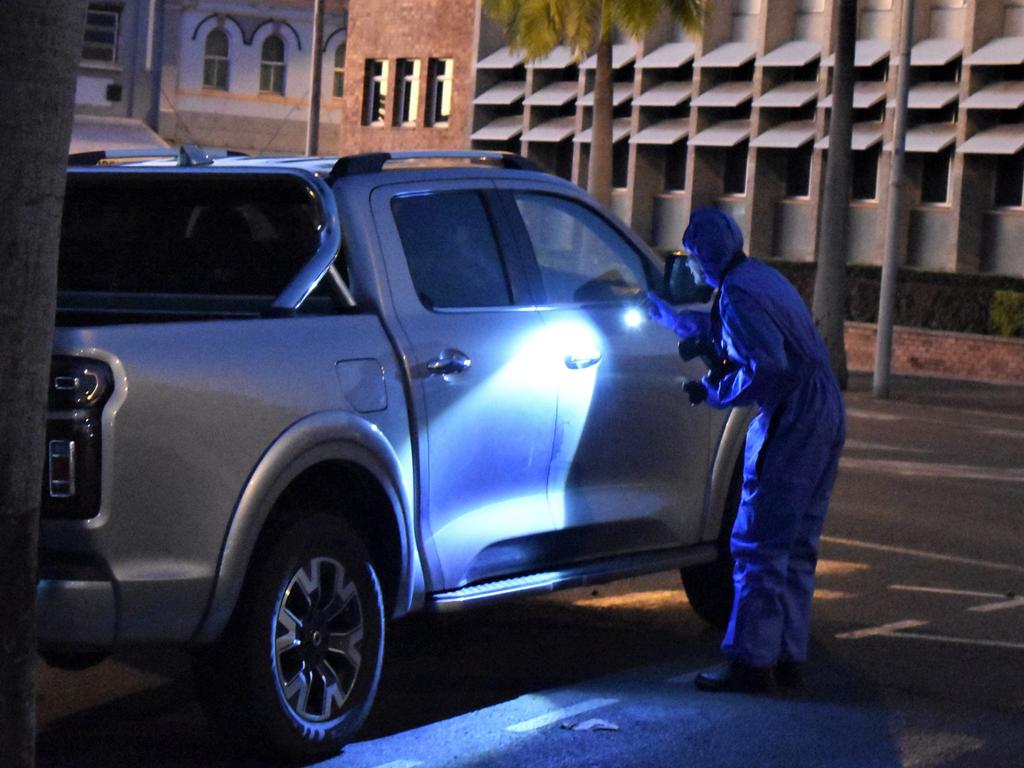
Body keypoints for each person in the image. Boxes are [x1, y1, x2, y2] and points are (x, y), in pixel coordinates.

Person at [647, 207, 845, 693]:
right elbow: (744, 336)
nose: (691, 267)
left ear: (702, 255)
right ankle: (786, 656)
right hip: (823, 410)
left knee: (757, 544)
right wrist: (682, 323)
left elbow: (768, 368)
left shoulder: (736, 293)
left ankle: (750, 663)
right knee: (797, 546)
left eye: (692, 258)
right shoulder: (758, 278)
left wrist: (715, 393)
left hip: (791, 416)